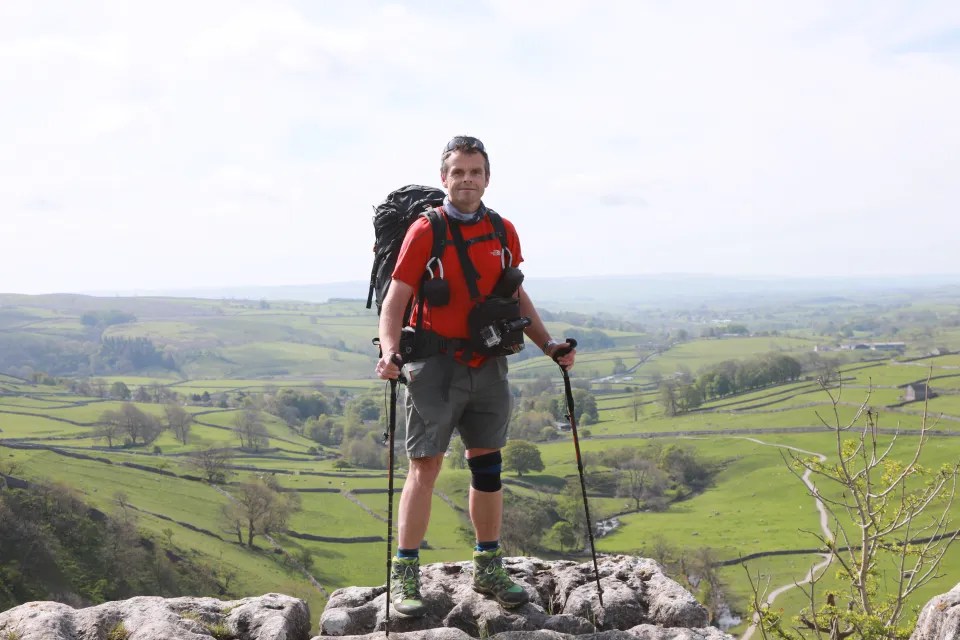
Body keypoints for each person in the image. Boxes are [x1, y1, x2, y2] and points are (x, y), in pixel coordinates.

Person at [375, 135, 576, 617]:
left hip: (488, 364)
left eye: (475, 172)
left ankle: (488, 567)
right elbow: (395, 300)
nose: (467, 179)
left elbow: (516, 297)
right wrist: (389, 352)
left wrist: (548, 345)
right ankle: (405, 574)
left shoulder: (504, 230)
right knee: (425, 466)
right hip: (434, 366)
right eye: (458, 172)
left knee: (488, 466)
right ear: (445, 178)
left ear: (487, 177)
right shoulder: (426, 230)